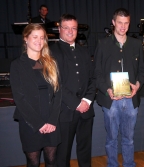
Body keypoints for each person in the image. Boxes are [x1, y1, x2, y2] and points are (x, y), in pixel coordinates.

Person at [94, 8, 144, 167]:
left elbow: (143, 71)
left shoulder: (137, 44)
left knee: (128, 139)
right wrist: (107, 90)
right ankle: (112, 165)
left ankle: (129, 164)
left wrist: (137, 86)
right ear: (113, 22)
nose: (123, 26)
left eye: (126, 23)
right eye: (120, 23)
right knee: (111, 139)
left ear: (129, 24)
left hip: (131, 100)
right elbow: (97, 72)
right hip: (111, 100)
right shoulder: (102, 44)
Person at [10, 23, 61, 167]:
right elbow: (19, 98)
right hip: (30, 122)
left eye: (42, 37)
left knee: (52, 161)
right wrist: (38, 123)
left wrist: (52, 120)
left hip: (51, 122)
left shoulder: (52, 63)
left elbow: (58, 93)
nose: (39, 41)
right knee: (33, 163)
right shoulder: (17, 65)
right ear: (25, 38)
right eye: (35, 37)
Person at [50, 14, 96, 167]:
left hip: (86, 110)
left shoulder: (84, 51)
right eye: (66, 28)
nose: (70, 31)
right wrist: (77, 103)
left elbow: (92, 79)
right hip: (65, 111)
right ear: (59, 29)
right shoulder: (51, 52)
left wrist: (87, 100)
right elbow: (55, 84)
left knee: (85, 150)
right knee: (63, 153)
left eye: (74, 28)